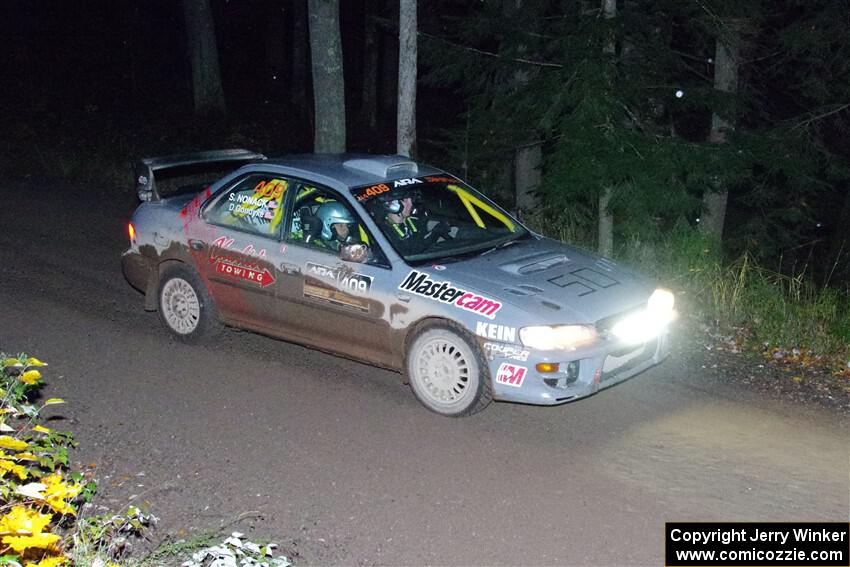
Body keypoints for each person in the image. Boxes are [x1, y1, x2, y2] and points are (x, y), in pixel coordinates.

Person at [382, 196, 450, 255]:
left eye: (410, 200)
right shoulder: (383, 232)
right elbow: (410, 253)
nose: (410, 204)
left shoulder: (416, 221)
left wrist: (437, 230)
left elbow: (422, 244)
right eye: (405, 201)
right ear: (392, 205)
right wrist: (435, 233)